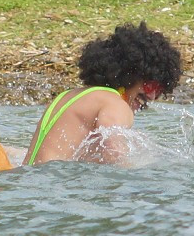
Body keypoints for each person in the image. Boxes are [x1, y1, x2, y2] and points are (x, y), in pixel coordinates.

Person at [23, 23, 182, 166]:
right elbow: (114, 151)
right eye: (151, 85)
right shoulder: (115, 104)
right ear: (130, 74)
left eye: (159, 90)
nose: (152, 96)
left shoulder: (69, 96)